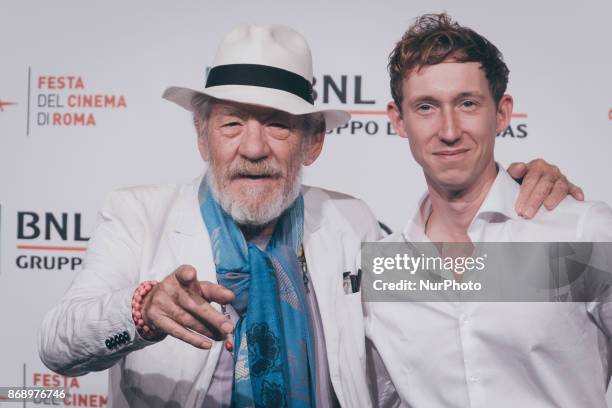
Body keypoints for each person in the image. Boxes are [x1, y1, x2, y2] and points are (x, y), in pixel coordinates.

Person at [39, 23, 579, 408]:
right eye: (231, 125)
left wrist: (511, 195)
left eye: (277, 125)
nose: (253, 147)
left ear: (313, 142)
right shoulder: (139, 215)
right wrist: (141, 309)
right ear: (203, 137)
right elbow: (58, 346)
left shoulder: (352, 222)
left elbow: (465, 297)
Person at [365, 13, 612, 408]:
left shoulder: (581, 231)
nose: (448, 130)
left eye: (467, 103)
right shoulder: (384, 267)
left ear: (501, 113)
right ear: (398, 121)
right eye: (426, 107)